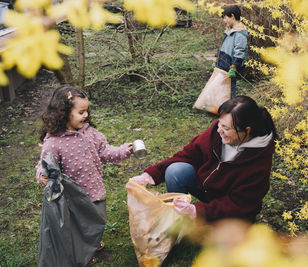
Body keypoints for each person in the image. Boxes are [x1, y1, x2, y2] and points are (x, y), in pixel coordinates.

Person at [133, 96, 277, 222]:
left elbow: (239, 204)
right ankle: (178, 220)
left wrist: (197, 211)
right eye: (219, 123)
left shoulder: (259, 161)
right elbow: (189, 154)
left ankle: (203, 220)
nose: (219, 130)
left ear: (247, 130)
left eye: (226, 128)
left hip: (232, 209)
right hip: (208, 189)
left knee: (218, 242)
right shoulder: (218, 131)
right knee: (175, 171)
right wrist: (151, 174)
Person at [35, 85, 134, 260]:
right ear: (64, 113)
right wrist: (42, 175)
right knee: (77, 227)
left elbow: (105, 151)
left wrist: (124, 150)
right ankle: (81, 256)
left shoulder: (90, 134)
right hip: (71, 197)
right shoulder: (54, 142)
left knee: (96, 221)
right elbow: (45, 165)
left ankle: (92, 243)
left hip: (94, 189)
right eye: (81, 112)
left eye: (87, 111)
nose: (86, 115)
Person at [213, 5, 249, 99]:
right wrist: (217, 58)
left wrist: (233, 67)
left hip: (230, 66)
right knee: (221, 87)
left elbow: (240, 51)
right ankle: (220, 107)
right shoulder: (230, 30)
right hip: (223, 63)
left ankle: (229, 109)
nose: (224, 21)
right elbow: (223, 45)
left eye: (225, 18)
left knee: (229, 89)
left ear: (232, 16)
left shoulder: (240, 33)